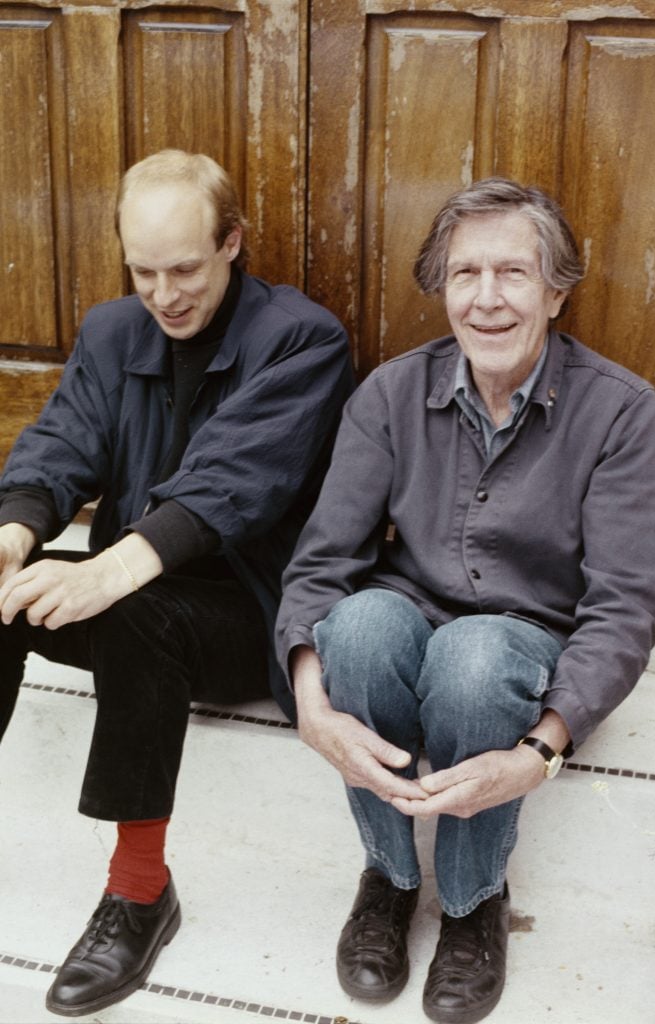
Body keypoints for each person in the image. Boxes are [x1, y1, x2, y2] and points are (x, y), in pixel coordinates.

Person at [276, 178, 655, 1024]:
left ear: (557, 291)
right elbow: (320, 565)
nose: (486, 300)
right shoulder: (390, 393)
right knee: (356, 625)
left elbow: (628, 606)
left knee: (477, 656)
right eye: (465, 274)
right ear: (442, 287)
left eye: (514, 274)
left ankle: (471, 903)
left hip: (524, 642)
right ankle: (389, 874)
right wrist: (311, 698)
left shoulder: (620, 411)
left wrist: (544, 747)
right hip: (412, 615)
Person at [0, 149, 353, 1017]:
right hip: (136, 593)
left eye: (186, 267)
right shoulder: (113, 330)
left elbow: (229, 485)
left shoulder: (303, 339)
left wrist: (107, 572)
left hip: (247, 615)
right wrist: (13, 535)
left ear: (233, 242)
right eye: (145, 271)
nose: (165, 294)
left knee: (135, 611)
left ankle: (140, 893)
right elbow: (59, 445)